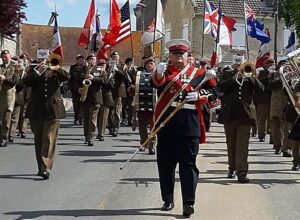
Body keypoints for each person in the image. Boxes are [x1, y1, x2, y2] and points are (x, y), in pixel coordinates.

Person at [152, 39, 215, 217]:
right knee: (166, 166)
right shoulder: (165, 73)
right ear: (170, 56)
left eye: (182, 54)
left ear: (188, 56)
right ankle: (168, 199)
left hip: (189, 125)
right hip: (167, 126)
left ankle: (188, 202)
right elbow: (156, 85)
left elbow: (215, 92)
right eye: (175, 54)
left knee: (188, 165)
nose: (179, 56)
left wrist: (201, 95)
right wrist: (158, 73)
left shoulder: (200, 74)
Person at [21, 54, 68, 179]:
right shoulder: (35, 69)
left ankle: (46, 167)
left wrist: (55, 66)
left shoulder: (57, 71)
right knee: (39, 139)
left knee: (49, 138)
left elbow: (65, 77)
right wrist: (37, 71)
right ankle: (41, 166)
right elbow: (25, 82)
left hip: (53, 109)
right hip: (37, 109)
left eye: (48, 59)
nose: (46, 61)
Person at [217, 58, 264, 183]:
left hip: (245, 115)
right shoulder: (227, 75)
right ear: (233, 65)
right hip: (230, 114)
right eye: (237, 64)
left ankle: (242, 171)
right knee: (231, 143)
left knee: (242, 144)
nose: (239, 65)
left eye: (241, 63)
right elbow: (220, 87)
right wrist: (235, 77)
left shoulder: (250, 78)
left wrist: (252, 76)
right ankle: (232, 168)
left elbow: (261, 89)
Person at [80, 54, 106, 146]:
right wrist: (79, 89)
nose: (92, 61)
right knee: (86, 118)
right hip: (85, 97)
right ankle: (86, 136)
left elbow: (104, 81)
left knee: (92, 119)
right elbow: (74, 81)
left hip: (95, 97)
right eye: (90, 59)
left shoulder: (100, 69)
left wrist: (93, 78)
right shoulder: (81, 69)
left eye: (93, 59)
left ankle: (91, 137)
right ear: (87, 61)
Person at [133, 57, 157, 155]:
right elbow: (133, 90)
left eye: (152, 63)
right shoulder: (139, 75)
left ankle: (152, 146)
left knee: (153, 127)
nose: (150, 65)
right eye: (148, 64)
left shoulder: (159, 76)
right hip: (142, 105)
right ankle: (143, 143)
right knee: (142, 127)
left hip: (154, 106)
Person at [107, 51, 131, 137]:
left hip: (118, 91)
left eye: (116, 57)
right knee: (110, 110)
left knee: (117, 110)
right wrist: (109, 70)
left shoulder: (122, 66)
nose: (115, 59)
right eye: (113, 57)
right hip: (109, 91)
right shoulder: (107, 66)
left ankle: (116, 127)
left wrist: (117, 71)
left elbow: (126, 78)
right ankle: (110, 127)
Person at [0, 50, 19, 147]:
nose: (4, 59)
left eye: (6, 57)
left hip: (8, 96)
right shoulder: (0, 67)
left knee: (6, 118)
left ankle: (4, 137)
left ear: (9, 57)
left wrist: (5, 79)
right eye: (2, 57)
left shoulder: (14, 68)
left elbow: (15, 81)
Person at [96, 59, 115, 141]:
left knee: (104, 116)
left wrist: (106, 76)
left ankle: (101, 134)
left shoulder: (110, 74)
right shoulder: (95, 73)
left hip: (106, 98)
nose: (102, 65)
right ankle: (96, 131)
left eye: (103, 64)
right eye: (100, 64)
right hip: (96, 97)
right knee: (96, 117)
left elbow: (111, 85)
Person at [68, 54, 87, 125]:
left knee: (82, 104)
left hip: (84, 88)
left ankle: (81, 118)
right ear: (77, 61)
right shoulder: (73, 67)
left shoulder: (86, 67)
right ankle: (76, 117)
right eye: (80, 60)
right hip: (75, 89)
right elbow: (71, 79)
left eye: (82, 60)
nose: (81, 61)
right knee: (76, 105)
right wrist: (70, 88)